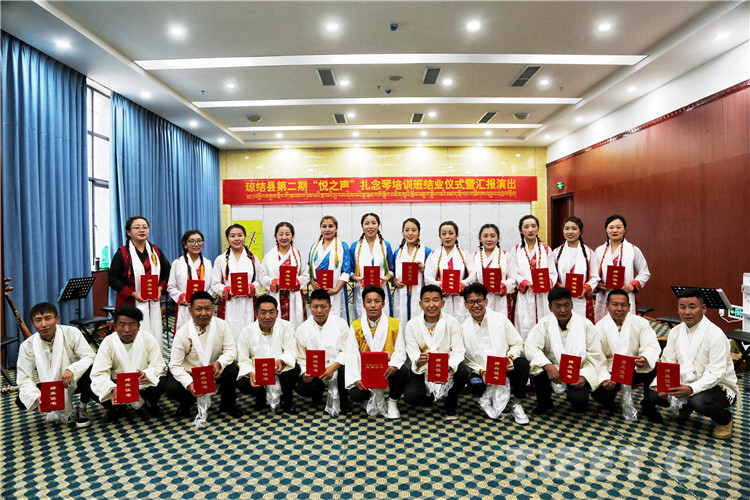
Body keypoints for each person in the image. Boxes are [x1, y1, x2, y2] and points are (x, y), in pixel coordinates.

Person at [648, 288, 739, 439]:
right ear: (678, 309)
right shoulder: (675, 332)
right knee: (654, 394)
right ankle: (686, 407)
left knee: (700, 401)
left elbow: (716, 373)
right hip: (685, 382)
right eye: (682, 307)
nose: (687, 312)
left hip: (718, 385)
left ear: (703, 309)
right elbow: (668, 361)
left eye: (692, 307)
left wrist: (691, 388)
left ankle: (725, 420)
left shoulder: (716, 335)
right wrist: (663, 385)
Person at [524, 287, 608, 415]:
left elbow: (595, 354)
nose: (563, 310)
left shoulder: (585, 324)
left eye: (566, 305)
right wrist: (548, 366)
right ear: (550, 307)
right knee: (537, 367)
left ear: (572, 305)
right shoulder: (544, 324)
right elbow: (531, 347)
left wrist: (584, 377)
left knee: (578, 399)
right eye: (558, 306)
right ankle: (545, 403)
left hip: (580, 369)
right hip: (555, 367)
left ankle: (580, 400)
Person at [15, 302, 95, 427]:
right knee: (22, 400)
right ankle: (53, 407)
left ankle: (81, 408)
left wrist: (72, 369)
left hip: (74, 380)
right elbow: (23, 377)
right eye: (38, 320)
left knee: (91, 370)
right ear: (32, 323)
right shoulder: (27, 346)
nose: (43, 324)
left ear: (57, 319)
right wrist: (36, 396)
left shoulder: (71, 333)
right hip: (51, 387)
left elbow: (90, 356)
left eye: (48, 318)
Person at [165, 291, 241, 419]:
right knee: (171, 387)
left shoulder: (222, 325)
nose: (204, 313)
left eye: (208, 309)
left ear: (213, 309)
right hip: (191, 373)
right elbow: (175, 365)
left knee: (233, 368)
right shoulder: (182, 333)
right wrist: (190, 383)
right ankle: (186, 404)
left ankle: (228, 404)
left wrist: (219, 363)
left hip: (214, 370)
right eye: (199, 309)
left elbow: (231, 351)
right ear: (190, 311)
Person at [462, 283, 530, 424]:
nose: (476, 305)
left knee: (522, 364)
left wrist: (510, 358)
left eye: (479, 301)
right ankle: (486, 399)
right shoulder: (463, 328)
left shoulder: (500, 319)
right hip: (482, 371)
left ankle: (517, 403)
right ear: (466, 305)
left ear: (486, 301)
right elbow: (466, 359)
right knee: (474, 384)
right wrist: (481, 371)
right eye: (471, 302)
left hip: (505, 367)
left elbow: (517, 343)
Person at [89, 306, 167, 422]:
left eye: (131, 325)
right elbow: (99, 372)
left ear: (138, 326)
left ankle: (150, 403)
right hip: (117, 384)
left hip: (142, 381)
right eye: (122, 325)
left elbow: (157, 364)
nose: (126, 330)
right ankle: (116, 407)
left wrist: (147, 374)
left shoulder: (148, 338)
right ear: (115, 326)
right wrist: (112, 388)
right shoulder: (108, 342)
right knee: (91, 385)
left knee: (163, 380)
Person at [403, 285, 469, 420]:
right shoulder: (412, 324)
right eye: (427, 300)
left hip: (447, 367)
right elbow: (412, 350)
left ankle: (450, 402)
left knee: (463, 372)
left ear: (442, 303)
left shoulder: (452, 322)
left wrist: (447, 367)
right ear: (420, 304)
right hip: (423, 367)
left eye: (435, 300)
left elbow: (458, 350)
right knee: (411, 397)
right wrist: (418, 359)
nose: (431, 305)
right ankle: (428, 397)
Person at [596, 289, 661, 423]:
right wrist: (604, 379)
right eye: (615, 304)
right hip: (610, 372)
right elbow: (596, 358)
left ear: (629, 306)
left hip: (633, 369)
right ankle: (609, 398)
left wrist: (645, 357)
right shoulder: (598, 328)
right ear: (607, 306)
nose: (619, 309)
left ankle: (648, 405)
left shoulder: (640, 323)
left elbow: (651, 344)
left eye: (623, 305)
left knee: (653, 366)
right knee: (602, 396)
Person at [343, 285, 409, 419]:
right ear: (363, 304)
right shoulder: (356, 326)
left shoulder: (394, 324)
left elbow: (400, 349)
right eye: (368, 301)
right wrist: (356, 378)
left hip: (387, 370)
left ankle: (392, 401)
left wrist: (394, 365)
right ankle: (369, 398)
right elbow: (351, 354)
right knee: (355, 394)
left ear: (383, 304)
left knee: (402, 370)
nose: (373, 305)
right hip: (365, 371)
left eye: (377, 301)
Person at [108, 215, 170, 355]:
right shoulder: (123, 253)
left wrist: (160, 288)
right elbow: (112, 279)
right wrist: (133, 294)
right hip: (129, 302)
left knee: (154, 331)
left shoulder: (155, 251)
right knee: (129, 334)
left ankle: (153, 360)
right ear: (128, 232)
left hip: (153, 302)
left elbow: (167, 273)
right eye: (137, 227)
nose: (142, 230)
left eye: (145, 227)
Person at [237, 294, 301, 414]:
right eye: (263, 313)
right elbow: (243, 359)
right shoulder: (247, 331)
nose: (267, 317)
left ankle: (286, 399)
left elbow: (291, 350)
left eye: (271, 312)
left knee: (294, 368)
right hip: (257, 372)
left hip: (280, 368)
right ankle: (261, 396)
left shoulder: (286, 326)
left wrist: (281, 361)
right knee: (241, 381)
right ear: (256, 314)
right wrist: (251, 373)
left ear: (277, 313)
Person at [295, 289, 349, 413]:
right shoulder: (302, 329)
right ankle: (317, 395)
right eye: (315, 307)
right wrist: (305, 373)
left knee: (344, 370)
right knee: (302, 387)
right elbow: (301, 357)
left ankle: (343, 399)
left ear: (330, 307)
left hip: (336, 367)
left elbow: (346, 350)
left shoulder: (341, 324)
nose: (319, 311)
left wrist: (333, 368)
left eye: (323, 307)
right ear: (310, 307)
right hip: (314, 370)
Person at [211, 223, 261, 344]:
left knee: (249, 331)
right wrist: (227, 290)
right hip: (229, 303)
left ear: (244, 237)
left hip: (248, 302)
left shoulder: (253, 259)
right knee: (229, 331)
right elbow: (215, 283)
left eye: (240, 235)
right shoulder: (221, 259)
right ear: (228, 239)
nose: (236, 239)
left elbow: (259, 280)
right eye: (232, 236)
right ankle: (230, 354)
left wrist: (251, 288)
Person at [593, 214, 650, 322]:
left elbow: (645, 272)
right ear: (606, 230)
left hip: (625, 294)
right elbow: (594, 274)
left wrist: (632, 285)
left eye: (618, 227)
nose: (615, 230)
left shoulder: (633, 250)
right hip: (605, 295)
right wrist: (597, 285)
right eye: (611, 227)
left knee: (625, 325)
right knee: (604, 326)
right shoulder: (599, 251)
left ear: (624, 230)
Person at [512, 214, 557, 340]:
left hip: (543, 294)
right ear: (521, 230)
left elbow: (553, 272)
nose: (530, 230)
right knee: (525, 325)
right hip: (525, 294)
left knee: (545, 324)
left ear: (538, 228)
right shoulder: (516, 249)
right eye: (526, 227)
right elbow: (514, 272)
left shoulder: (546, 250)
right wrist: (526, 283)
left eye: (533, 226)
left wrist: (545, 283)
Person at [259, 222, 310, 330]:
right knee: (276, 328)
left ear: (292, 236)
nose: (284, 237)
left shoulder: (298, 255)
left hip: (294, 296)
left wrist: (295, 281)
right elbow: (262, 275)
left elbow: (306, 275)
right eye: (281, 234)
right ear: (275, 236)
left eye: (287, 234)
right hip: (275, 295)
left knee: (295, 326)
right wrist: (274, 282)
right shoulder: (269, 256)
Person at [424, 221, 475, 323]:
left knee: (460, 324)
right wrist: (440, 286)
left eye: (451, 233)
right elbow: (427, 276)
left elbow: (473, 274)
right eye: (444, 234)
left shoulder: (464, 254)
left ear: (457, 235)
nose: (447, 237)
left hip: (460, 298)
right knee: (441, 324)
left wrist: (462, 284)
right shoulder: (434, 255)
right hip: (441, 298)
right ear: (440, 236)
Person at [553, 216, 599, 322]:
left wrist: (585, 288)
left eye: (574, 228)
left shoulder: (589, 253)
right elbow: (552, 275)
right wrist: (560, 286)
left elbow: (595, 277)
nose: (570, 232)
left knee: (580, 325)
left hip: (581, 298)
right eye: (567, 228)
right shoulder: (556, 252)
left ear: (580, 231)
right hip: (561, 297)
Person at [349, 213, 394, 320]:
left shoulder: (385, 245)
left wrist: (386, 278)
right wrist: (357, 278)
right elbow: (350, 271)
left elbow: (392, 269)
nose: (370, 226)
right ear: (362, 226)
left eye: (373, 223)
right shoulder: (355, 246)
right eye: (367, 223)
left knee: (383, 320)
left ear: (378, 225)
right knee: (362, 320)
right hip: (361, 289)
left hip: (382, 288)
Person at [168, 230, 213, 333]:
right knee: (185, 335)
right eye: (192, 241)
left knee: (205, 335)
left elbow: (212, 286)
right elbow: (171, 287)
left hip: (203, 308)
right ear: (185, 244)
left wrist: (205, 299)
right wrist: (181, 297)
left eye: (199, 241)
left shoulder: (208, 263)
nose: (196, 244)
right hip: (185, 306)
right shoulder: (177, 263)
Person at [307, 215, 351, 323]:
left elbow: (346, 271)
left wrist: (336, 289)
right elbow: (310, 267)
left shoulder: (342, 246)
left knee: (336, 320)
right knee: (317, 318)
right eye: (324, 226)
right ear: (320, 228)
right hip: (317, 291)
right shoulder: (314, 247)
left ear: (336, 228)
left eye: (331, 226)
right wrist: (312, 281)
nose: (327, 229)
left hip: (336, 290)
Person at [391, 218, 431, 324]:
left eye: (413, 230)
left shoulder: (426, 251)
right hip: (401, 293)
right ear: (403, 232)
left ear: (418, 232)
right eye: (407, 230)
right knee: (401, 322)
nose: (410, 233)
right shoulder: (397, 253)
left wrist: (423, 270)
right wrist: (394, 282)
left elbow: (432, 276)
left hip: (419, 293)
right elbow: (392, 274)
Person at [471, 223, 516, 319]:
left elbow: (513, 277)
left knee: (499, 322)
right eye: (485, 236)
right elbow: (471, 278)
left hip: (500, 299)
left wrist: (502, 286)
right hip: (480, 299)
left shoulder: (506, 256)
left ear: (498, 238)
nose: (489, 239)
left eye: (492, 236)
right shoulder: (474, 257)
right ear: (480, 239)